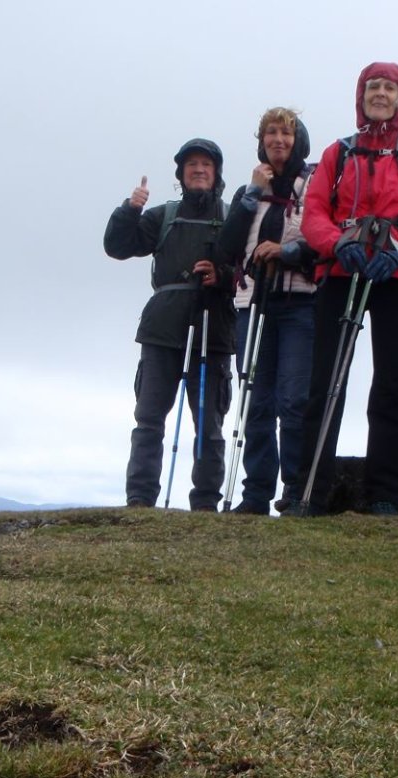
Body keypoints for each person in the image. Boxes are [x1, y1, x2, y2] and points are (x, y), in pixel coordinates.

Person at [287, 61, 398, 516]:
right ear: (360, 95)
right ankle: (309, 491)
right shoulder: (338, 152)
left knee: (393, 383)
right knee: (325, 380)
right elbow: (314, 210)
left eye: (389, 88)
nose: (380, 94)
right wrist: (338, 244)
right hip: (344, 268)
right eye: (372, 87)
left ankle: (385, 493)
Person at [104, 139, 234, 511]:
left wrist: (222, 276)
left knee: (209, 425)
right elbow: (117, 246)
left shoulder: (231, 219)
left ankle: (205, 503)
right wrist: (130, 209)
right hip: (163, 329)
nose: (198, 169)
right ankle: (140, 499)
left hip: (214, 328)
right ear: (180, 174)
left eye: (206, 165)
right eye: (191, 164)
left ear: (216, 173)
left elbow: (247, 271)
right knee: (148, 419)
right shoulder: (162, 215)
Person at [216, 109, 316, 515]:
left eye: (286, 133)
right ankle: (255, 493)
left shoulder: (314, 185)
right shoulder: (250, 189)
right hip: (253, 303)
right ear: (261, 141)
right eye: (271, 133)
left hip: (300, 301)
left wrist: (286, 252)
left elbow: (321, 237)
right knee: (257, 399)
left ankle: (293, 491)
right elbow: (227, 247)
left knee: (293, 399)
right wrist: (252, 195)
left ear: (299, 139)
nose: (278, 140)